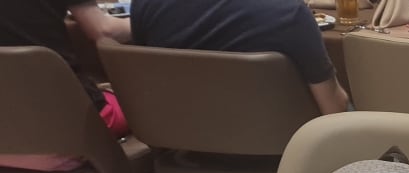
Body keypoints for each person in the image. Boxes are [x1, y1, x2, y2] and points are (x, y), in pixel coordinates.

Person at [130, 0, 349, 115]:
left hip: (185, 150)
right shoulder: (290, 12)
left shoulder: (144, 5)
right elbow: (334, 108)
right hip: (284, 156)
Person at [0, 0, 133, 171]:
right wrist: (144, 21)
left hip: (7, 130)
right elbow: (103, 29)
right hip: (67, 126)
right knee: (143, 110)